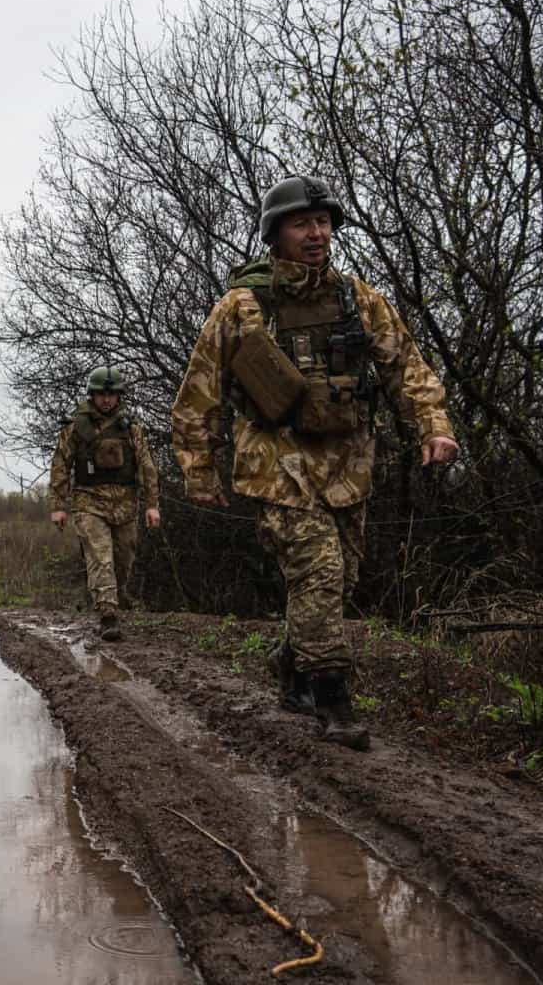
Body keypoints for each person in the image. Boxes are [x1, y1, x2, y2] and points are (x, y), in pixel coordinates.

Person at [170, 175, 458, 750]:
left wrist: (434, 426)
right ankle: (334, 700)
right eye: (303, 222)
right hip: (277, 466)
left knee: (339, 579)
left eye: (324, 222)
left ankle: (293, 665)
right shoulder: (242, 308)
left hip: (347, 464)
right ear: (275, 233)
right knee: (319, 573)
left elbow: (407, 367)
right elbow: (198, 395)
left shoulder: (357, 298)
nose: (317, 232)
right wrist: (198, 472)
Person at [49, 366, 162, 641]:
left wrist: (152, 504)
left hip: (125, 503)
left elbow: (146, 466)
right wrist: (58, 505)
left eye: (112, 394)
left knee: (124, 558)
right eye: (102, 394)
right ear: (93, 395)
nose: (107, 400)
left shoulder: (131, 428)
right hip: (89, 502)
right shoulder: (77, 427)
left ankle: (115, 596)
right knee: (101, 557)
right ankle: (108, 615)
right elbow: (61, 465)